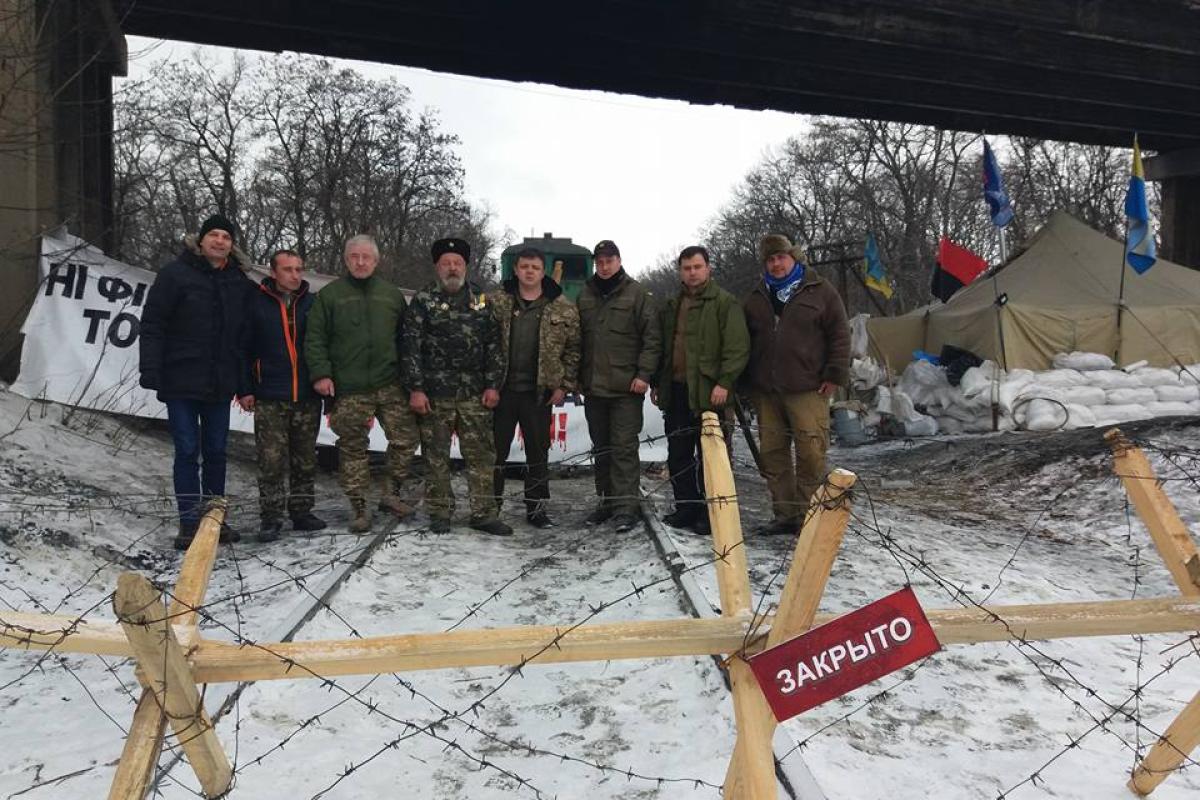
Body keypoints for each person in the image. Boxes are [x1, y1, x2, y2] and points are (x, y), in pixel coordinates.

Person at [139, 214, 255, 549]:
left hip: (220, 383)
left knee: (217, 451)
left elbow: (243, 339)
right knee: (188, 449)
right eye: (214, 235)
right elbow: (153, 324)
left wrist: (245, 385)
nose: (220, 241)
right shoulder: (174, 275)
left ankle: (215, 519)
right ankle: (189, 522)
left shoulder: (238, 283)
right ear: (200, 241)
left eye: (226, 237)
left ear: (232, 246)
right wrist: (151, 369)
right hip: (180, 379)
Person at [304, 235, 419, 533]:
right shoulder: (330, 296)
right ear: (346, 260)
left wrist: (410, 378)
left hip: (389, 381)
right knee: (353, 447)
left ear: (377, 261)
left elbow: (406, 340)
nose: (360, 262)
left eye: (366, 257)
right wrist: (321, 374)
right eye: (354, 256)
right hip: (349, 386)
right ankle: (358, 507)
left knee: (406, 438)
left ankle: (390, 494)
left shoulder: (391, 295)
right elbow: (315, 338)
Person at [402, 237, 511, 536]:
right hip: (435, 395)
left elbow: (495, 347)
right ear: (437, 267)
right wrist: (416, 388)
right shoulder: (423, 300)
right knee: (436, 456)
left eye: (458, 263)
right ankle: (439, 512)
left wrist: (493, 386)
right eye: (447, 263)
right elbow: (410, 348)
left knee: (481, 455)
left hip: (475, 394)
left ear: (466, 266)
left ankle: (484, 513)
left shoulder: (481, 300)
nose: (452, 268)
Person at [743, 234, 850, 536]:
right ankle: (785, 515)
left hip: (809, 387)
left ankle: (808, 515)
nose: (776, 264)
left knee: (811, 453)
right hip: (767, 390)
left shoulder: (819, 290)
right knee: (773, 455)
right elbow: (744, 342)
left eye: (781, 257)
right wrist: (744, 382)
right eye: (770, 259)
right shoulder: (755, 297)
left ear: (793, 258)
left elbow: (840, 334)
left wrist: (835, 374)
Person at [652, 245, 749, 535]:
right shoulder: (672, 306)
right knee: (679, 454)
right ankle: (686, 508)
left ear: (708, 268)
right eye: (686, 268)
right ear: (680, 271)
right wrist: (659, 382)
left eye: (697, 267)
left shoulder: (724, 303)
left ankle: (713, 514)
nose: (692, 273)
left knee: (712, 457)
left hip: (711, 393)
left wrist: (725, 382)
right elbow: (665, 349)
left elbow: (737, 347)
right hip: (678, 392)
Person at [237, 249, 327, 542]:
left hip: (306, 395)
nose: (295, 275)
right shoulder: (255, 303)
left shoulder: (312, 303)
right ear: (274, 273)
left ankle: (301, 511)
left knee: (305, 458)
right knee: (271, 460)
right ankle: (271, 517)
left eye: (299, 269)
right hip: (270, 395)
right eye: (287, 269)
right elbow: (242, 348)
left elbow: (323, 345)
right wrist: (246, 388)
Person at [490, 247, 581, 529]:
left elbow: (574, 349)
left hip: (538, 394)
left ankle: (537, 509)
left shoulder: (562, 306)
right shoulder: (497, 302)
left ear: (543, 272)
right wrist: (487, 384)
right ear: (515, 270)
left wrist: (563, 385)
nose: (529, 271)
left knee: (538, 453)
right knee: (494, 452)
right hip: (502, 392)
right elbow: (483, 343)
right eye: (524, 266)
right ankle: (488, 507)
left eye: (535, 267)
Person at [576, 239, 661, 533]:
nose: (604, 266)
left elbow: (651, 338)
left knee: (624, 448)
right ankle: (606, 502)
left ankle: (626, 507)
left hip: (626, 387)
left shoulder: (637, 294)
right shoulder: (585, 294)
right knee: (602, 448)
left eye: (609, 260)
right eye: (599, 261)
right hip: (594, 387)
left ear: (619, 260)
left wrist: (644, 374)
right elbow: (577, 340)